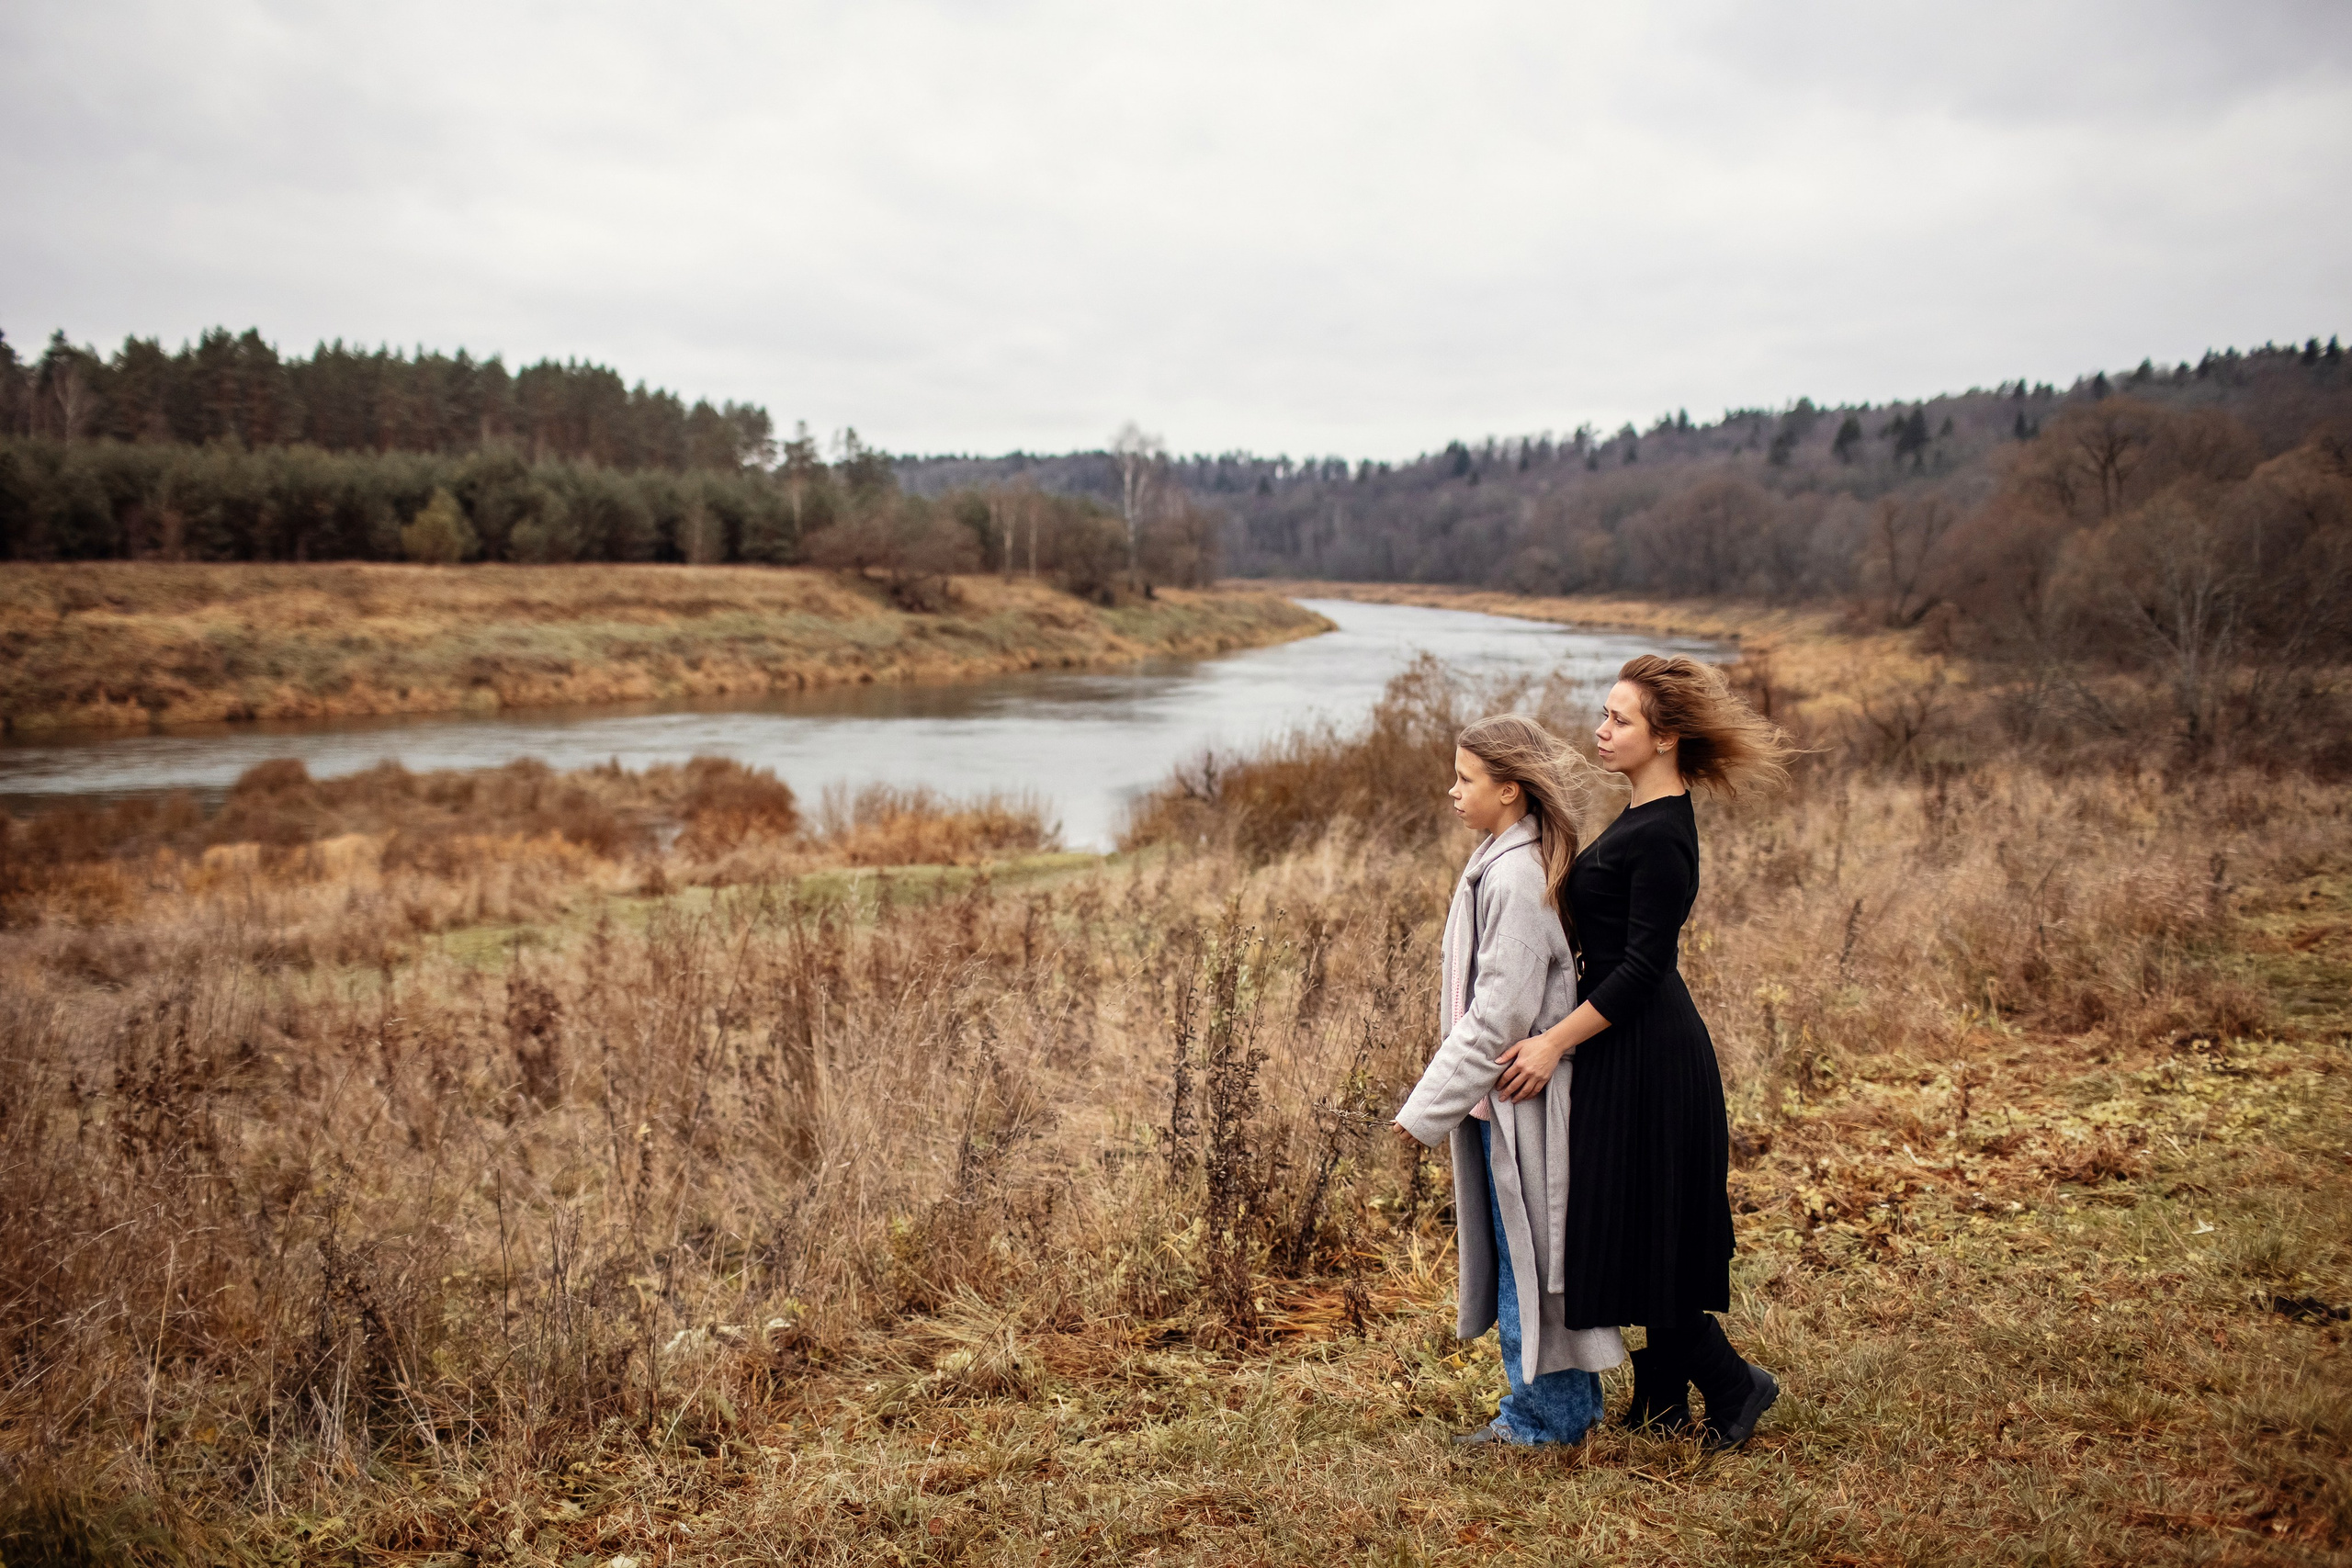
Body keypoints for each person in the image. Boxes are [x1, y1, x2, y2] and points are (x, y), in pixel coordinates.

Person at [1491, 654, 1794, 1451]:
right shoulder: (1640, 815)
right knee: (1642, 1225)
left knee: (1646, 1228)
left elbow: (1641, 969)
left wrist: (1553, 1041)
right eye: (1606, 713)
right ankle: (1660, 1400)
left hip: (1652, 1054)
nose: (1602, 728)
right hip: (1628, 1049)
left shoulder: (1661, 833)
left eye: (1619, 719)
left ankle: (1735, 1383)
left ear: (1665, 737)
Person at [1392, 715, 1625, 1447]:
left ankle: (1542, 1422)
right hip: (1506, 1101)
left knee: (1531, 1264)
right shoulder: (1503, 857)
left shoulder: (1518, 877)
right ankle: (1563, 1407)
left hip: (1526, 1103)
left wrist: (1421, 1110)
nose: (1453, 791)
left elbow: (1497, 1017)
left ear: (1510, 788)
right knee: (1531, 1258)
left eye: (1466, 778)